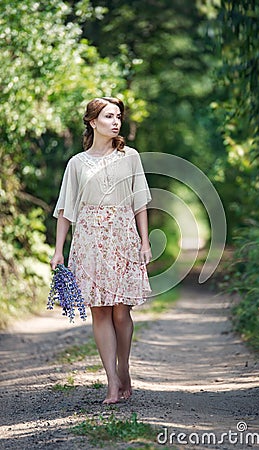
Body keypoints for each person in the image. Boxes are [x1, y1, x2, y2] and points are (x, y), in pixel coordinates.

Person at [50, 97, 152, 404]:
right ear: (93, 122)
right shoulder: (77, 164)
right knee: (100, 311)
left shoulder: (130, 156)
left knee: (122, 312)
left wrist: (144, 242)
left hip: (123, 236)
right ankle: (110, 382)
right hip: (89, 239)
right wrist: (58, 251)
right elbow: (66, 210)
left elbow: (140, 202)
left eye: (118, 116)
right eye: (109, 116)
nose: (116, 121)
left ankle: (125, 368)